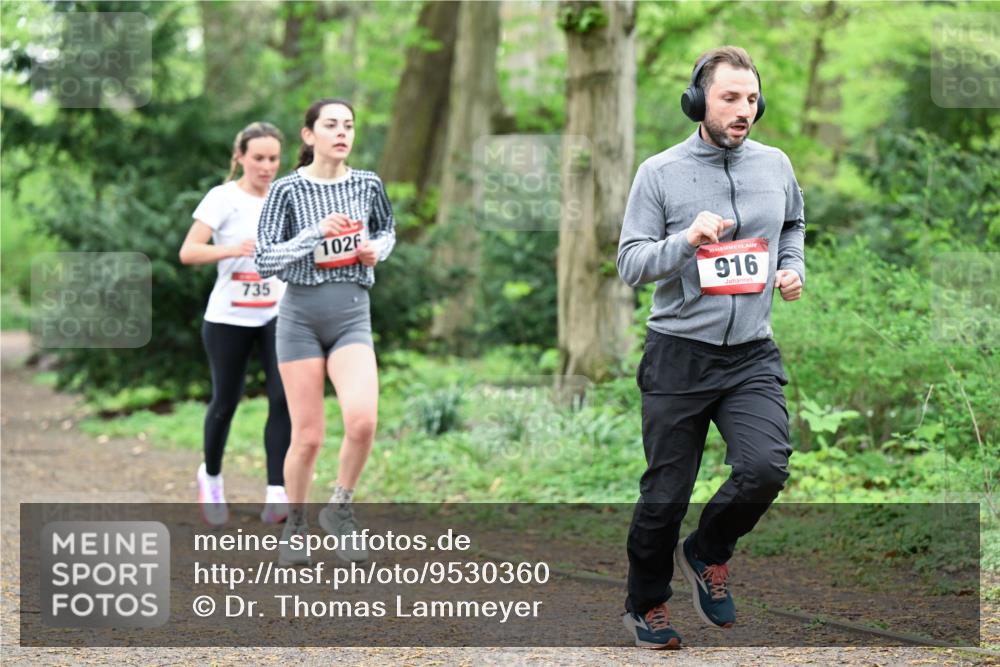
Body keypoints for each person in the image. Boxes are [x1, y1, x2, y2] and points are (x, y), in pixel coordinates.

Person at [616, 46, 806, 649]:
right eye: (730, 98)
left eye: (751, 99)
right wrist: (684, 241)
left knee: (764, 467)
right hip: (679, 353)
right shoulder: (660, 172)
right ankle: (646, 605)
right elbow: (630, 262)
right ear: (699, 101)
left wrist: (791, 267)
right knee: (665, 495)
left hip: (750, 352)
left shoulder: (775, 164)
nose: (743, 109)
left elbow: (795, 225)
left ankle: (708, 550)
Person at [254, 98, 395, 566]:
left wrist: (376, 249)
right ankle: (294, 525)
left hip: (352, 313)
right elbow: (265, 258)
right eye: (331, 125)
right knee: (309, 436)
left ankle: (340, 509)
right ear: (309, 134)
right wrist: (314, 233)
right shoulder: (287, 191)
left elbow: (387, 230)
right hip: (300, 319)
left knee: (362, 420)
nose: (342, 132)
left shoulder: (368, 184)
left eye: (349, 125)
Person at [180, 122, 292, 528]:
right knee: (226, 401)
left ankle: (277, 492)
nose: (266, 167)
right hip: (228, 317)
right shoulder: (222, 198)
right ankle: (210, 478)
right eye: (258, 158)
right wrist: (232, 249)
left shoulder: (286, 197)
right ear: (240, 157)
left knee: (283, 398)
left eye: (273, 159)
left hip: (276, 314)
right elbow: (189, 251)